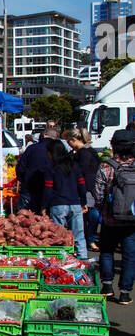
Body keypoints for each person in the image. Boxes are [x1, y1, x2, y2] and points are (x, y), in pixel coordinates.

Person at [94, 130, 135, 303]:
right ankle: (125, 292)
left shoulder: (106, 167)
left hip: (110, 219)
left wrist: (103, 210)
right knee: (130, 256)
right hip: (132, 220)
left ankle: (108, 285)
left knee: (107, 251)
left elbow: (98, 194)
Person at [40, 140, 87, 259]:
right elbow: (82, 185)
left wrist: (44, 206)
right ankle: (83, 261)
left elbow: (48, 190)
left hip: (58, 205)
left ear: (52, 153)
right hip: (75, 203)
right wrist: (83, 201)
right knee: (79, 235)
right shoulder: (74, 165)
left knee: (58, 238)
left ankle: (62, 261)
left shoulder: (51, 168)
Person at [66, 128, 102, 251]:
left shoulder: (83, 154)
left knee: (88, 215)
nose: (68, 144)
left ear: (74, 140)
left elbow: (82, 173)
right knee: (91, 214)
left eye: (69, 141)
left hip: (86, 188)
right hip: (92, 187)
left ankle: (88, 240)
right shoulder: (90, 151)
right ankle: (90, 239)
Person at [16, 128, 58, 213]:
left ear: (45, 135)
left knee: (23, 218)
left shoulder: (32, 148)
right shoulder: (57, 149)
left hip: (29, 187)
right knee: (48, 222)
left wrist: (23, 179)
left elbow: (20, 167)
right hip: (51, 189)